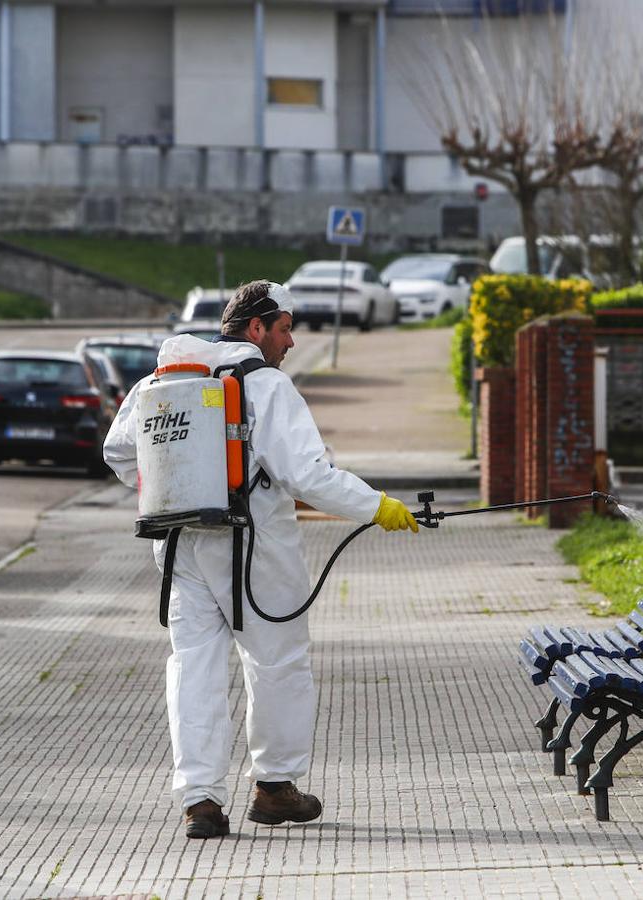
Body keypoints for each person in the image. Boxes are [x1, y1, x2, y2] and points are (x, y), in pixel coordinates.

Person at [103, 280, 418, 840]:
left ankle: (200, 801)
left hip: (180, 545)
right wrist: (377, 507)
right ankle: (274, 789)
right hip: (255, 548)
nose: (291, 341)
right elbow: (307, 475)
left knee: (193, 668)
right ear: (257, 328)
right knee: (277, 663)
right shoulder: (267, 386)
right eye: (285, 328)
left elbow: (120, 451)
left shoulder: (161, 381)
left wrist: (174, 492)